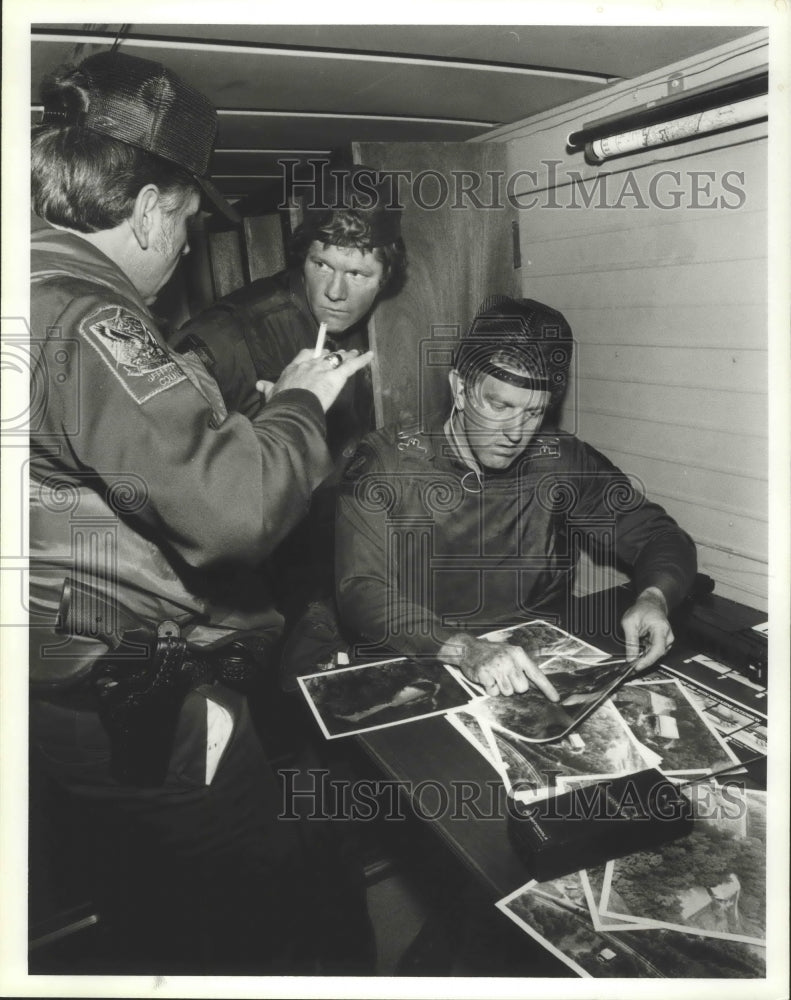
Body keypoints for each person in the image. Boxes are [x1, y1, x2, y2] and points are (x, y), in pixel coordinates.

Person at [29, 49, 374, 974]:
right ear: (147, 208)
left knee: (149, 893)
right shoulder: (87, 319)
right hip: (137, 697)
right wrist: (300, 404)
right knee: (257, 902)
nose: (186, 244)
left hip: (63, 686)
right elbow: (229, 512)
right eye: (185, 217)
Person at [336, 296, 697, 700]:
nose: (515, 432)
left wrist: (654, 597)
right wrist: (465, 649)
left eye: (533, 413)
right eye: (499, 405)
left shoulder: (559, 460)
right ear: (460, 388)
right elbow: (360, 588)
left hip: (541, 666)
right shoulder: (387, 462)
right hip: (424, 660)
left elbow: (659, 536)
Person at [172, 166, 407, 675]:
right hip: (256, 580)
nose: (336, 292)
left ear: (387, 275)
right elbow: (173, 467)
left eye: (359, 274)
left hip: (346, 559)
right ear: (302, 256)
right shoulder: (229, 333)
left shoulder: (393, 326)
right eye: (321, 265)